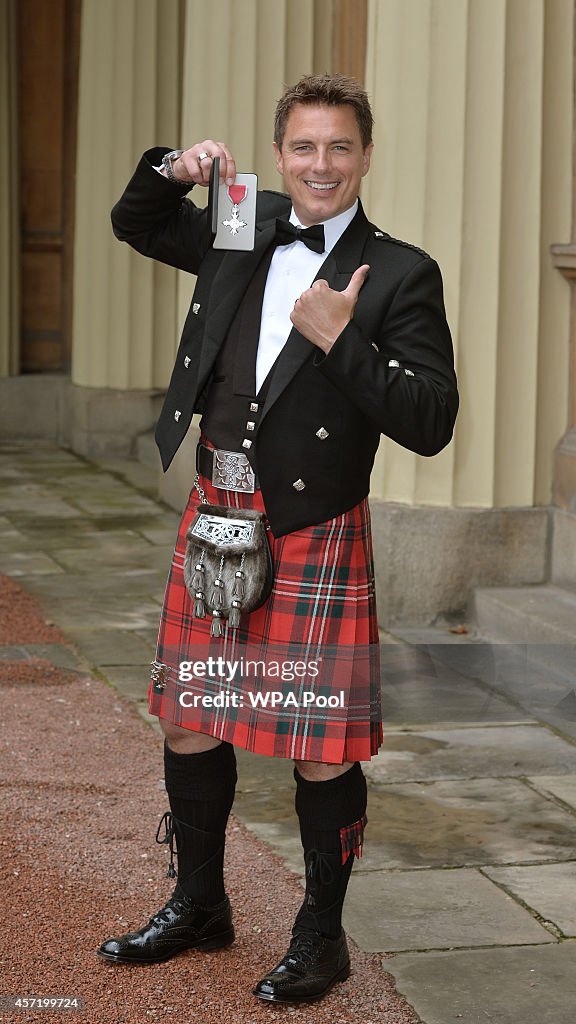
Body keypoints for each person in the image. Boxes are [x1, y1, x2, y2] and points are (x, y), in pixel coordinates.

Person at [98, 73, 458, 1004]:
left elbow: (430, 419)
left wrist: (347, 343)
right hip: (214, 509)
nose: (321, 165)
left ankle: (322, 936)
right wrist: (173, 170)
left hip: (311, 524)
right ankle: (200, 903)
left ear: (365, 156)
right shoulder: (237, 228)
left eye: (340, 147)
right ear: (283, 155)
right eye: (304, 147)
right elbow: (134, 223)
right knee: (187, 717)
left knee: (319, 744)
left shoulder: (402, 271)